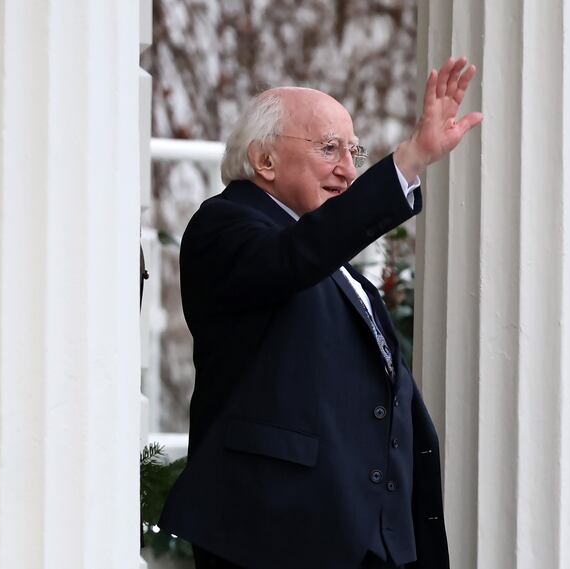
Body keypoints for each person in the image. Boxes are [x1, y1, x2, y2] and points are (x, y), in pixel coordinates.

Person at [159, 56, 483, 569]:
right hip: (274, 540)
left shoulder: (343, 272)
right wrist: (408, 162)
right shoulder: (224, 226)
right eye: (329, 148)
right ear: (264, 161)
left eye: (354, 152)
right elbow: (295, 258)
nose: (348, 170)